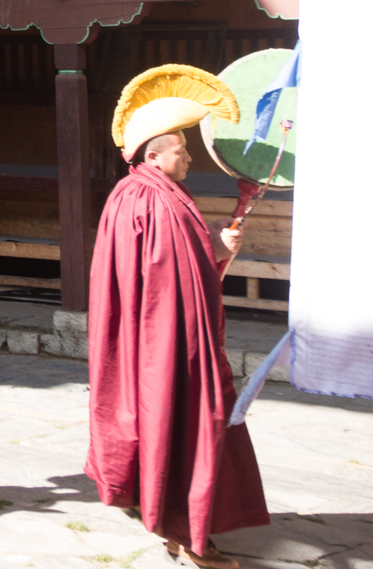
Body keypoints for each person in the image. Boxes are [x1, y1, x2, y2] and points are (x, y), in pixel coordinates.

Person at [86, 64, 269, 569]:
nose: (188, 157)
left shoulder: (143, 193)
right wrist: (211, 256)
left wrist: (217, 247)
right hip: (171, 342)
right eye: (180, 150)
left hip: (154, 339)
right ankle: (191, 538)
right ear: (153, 155)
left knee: (170, 425)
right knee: (194, 425)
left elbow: (179, 268)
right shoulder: (152, 200)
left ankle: (173, 527)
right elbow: (171, 283)